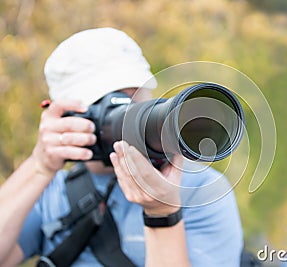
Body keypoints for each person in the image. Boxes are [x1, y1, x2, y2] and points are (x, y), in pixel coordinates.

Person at [0, 27, 243, 266]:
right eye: (101, 103)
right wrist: (39, 166)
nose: (123, 115)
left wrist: (163, 213)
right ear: (65, 116)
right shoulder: (51, 193)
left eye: (132, 99)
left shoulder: (202, 191)